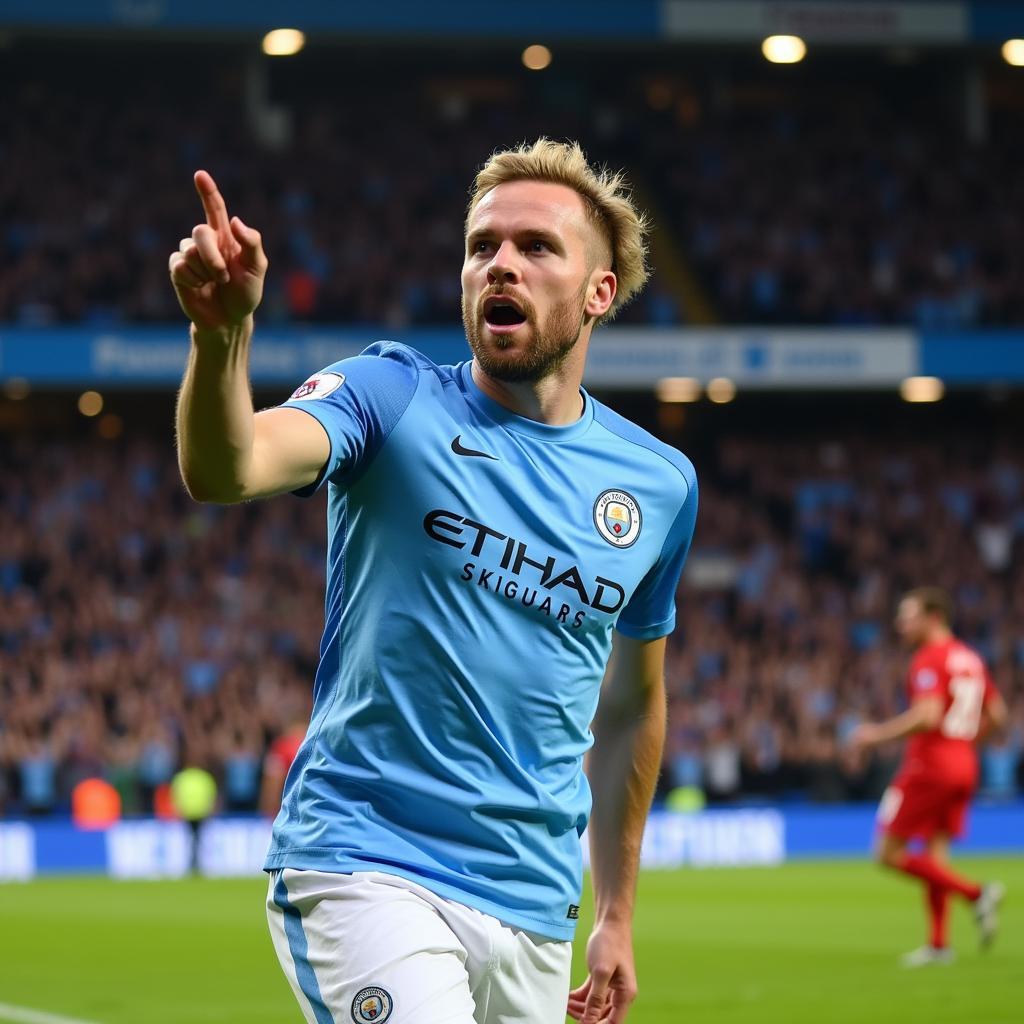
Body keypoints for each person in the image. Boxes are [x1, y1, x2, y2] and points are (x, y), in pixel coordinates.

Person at [169, 139, 698, 1024]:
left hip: (534, 907)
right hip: (369, 862)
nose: (501, 264)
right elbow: (229, 468)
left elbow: (635, 707)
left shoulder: (658, 485)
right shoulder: (391, 396)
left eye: (537, 247)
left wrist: (615, 915)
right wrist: (220, 335)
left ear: (599, 293)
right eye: (482, 245)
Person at [851, 587, 1007, 967]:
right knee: (935, 858)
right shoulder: (970, 658)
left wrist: (874, 736)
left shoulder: (929, 659)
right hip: (963, 763)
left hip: (929, 765)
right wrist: (966, 742)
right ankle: (939, 945)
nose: (900, 624)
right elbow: (999, 714)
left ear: (933, 618)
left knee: (887, 854)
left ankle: (976, 893)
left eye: (908, 616)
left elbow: (927, 715)